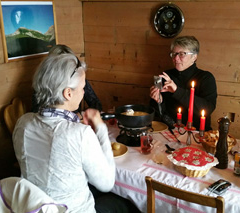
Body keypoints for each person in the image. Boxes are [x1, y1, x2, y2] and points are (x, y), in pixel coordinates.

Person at [14, 53, 139, 213]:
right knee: (126, 202)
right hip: (72, 210)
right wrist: (101, 128)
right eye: (82, 87)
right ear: (68, 93)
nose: (83, 93)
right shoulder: (79, 133)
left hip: (35, 206)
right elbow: (107, 183)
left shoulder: (23, 123)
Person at [150, 36, 217, 131]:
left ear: (194, 57)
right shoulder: (165, 75)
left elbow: (208, 109)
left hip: (197, 133)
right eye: (174, 54)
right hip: (168, 131)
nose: (176, 58)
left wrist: (177, 91)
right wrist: (158, 101)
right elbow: (156, 114)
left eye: (182, 54)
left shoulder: (206, 78)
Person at [31, 44, 102, 113]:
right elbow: (36, 111)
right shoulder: (43, 84)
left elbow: (96, 104)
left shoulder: (77, 78)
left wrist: (83, 115)